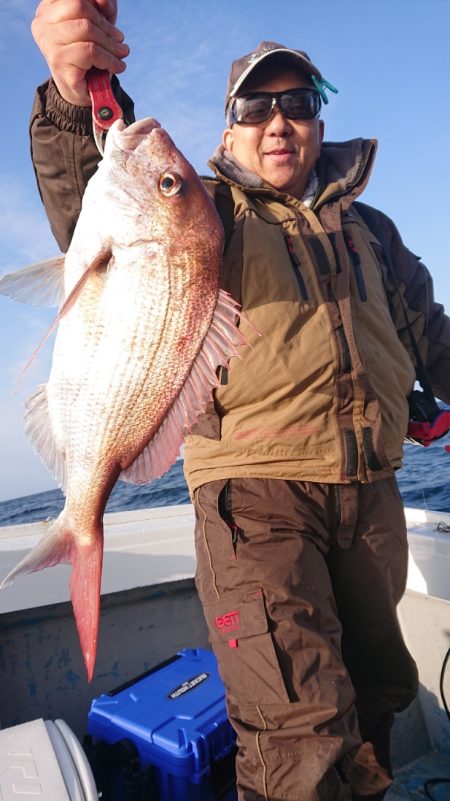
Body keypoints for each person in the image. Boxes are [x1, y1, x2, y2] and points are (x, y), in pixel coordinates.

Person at [28, 2, 450, 799]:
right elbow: (93, 197)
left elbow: (433, 336)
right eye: (256, 107)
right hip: (254, 502)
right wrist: (68, 89)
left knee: (379, 696)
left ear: (321, 121)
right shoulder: (205, 214)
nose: (279, 121)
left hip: (369, 499)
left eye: (298, 103)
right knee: (300, 735)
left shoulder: (375, 231)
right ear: (228, 133)